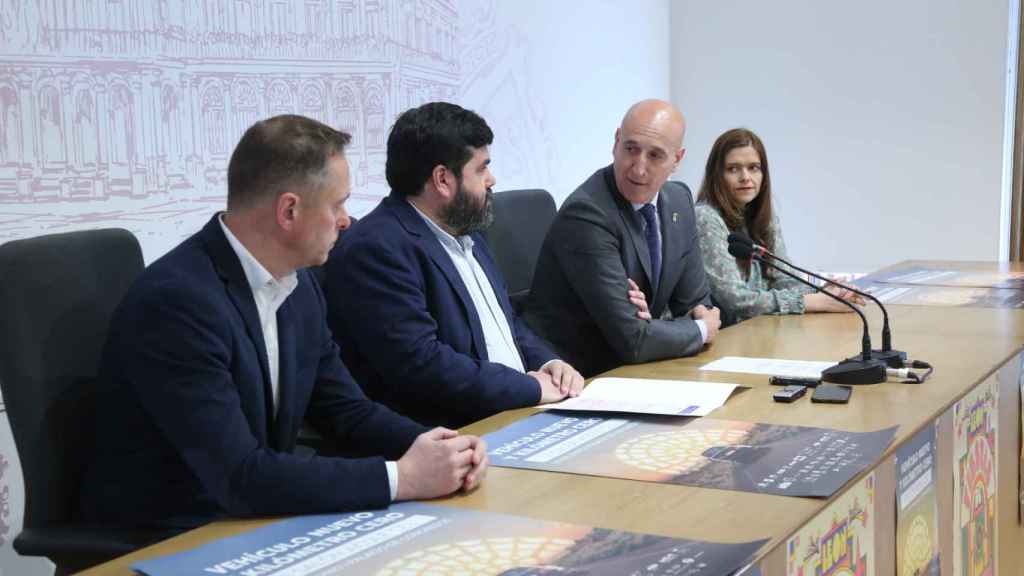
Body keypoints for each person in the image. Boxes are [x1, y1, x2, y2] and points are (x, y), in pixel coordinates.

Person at [79, 115, 487, 534]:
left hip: (251, 515)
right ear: (289, 210)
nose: (346, 220)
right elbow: (238, 476)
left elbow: (346, 411)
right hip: (171, 534)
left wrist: (442, 447)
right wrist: (403, 478)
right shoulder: (178, 303)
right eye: (338, 204)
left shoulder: (299, 283)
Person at [323, 102, 583, 429]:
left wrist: (550, 362)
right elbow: (423, 365)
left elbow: (506, 323)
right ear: (443, 179)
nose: (492, 179)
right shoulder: (376, 249)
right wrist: (529, 388)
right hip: (456, 433)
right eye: (481, 168)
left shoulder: (467, 230)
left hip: (520, 410)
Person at [524, 99, 720, 378]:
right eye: (631, 149)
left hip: (639, 369)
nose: (638, 169)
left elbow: (697, 305)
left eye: (655, 156)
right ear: (616, 142)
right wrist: (698, 330)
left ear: (677, 160)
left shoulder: (678, 200)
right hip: (580, 377)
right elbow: (634, 340)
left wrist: (664, 325)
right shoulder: (587, 213)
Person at [694, 128, 863, 324]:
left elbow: (784, 280)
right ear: (717, 175)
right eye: (733, 169)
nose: (745, 177)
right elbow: (736, 301)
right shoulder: (705, 217)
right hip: (724, 337)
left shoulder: (763, 216)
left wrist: (825, 291)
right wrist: (815, 302)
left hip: (757, 330)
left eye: (754, 167)